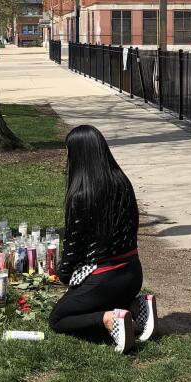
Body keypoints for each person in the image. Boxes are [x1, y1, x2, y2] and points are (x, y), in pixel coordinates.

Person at [49, 125, 157, 353]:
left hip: (104, 279)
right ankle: (135, 305)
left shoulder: (81, 195)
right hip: (132, 272)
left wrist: (64, 275)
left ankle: (109, 319)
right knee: (86, 300)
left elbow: (73, 246)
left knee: (58, 318)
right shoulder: (121, 182)